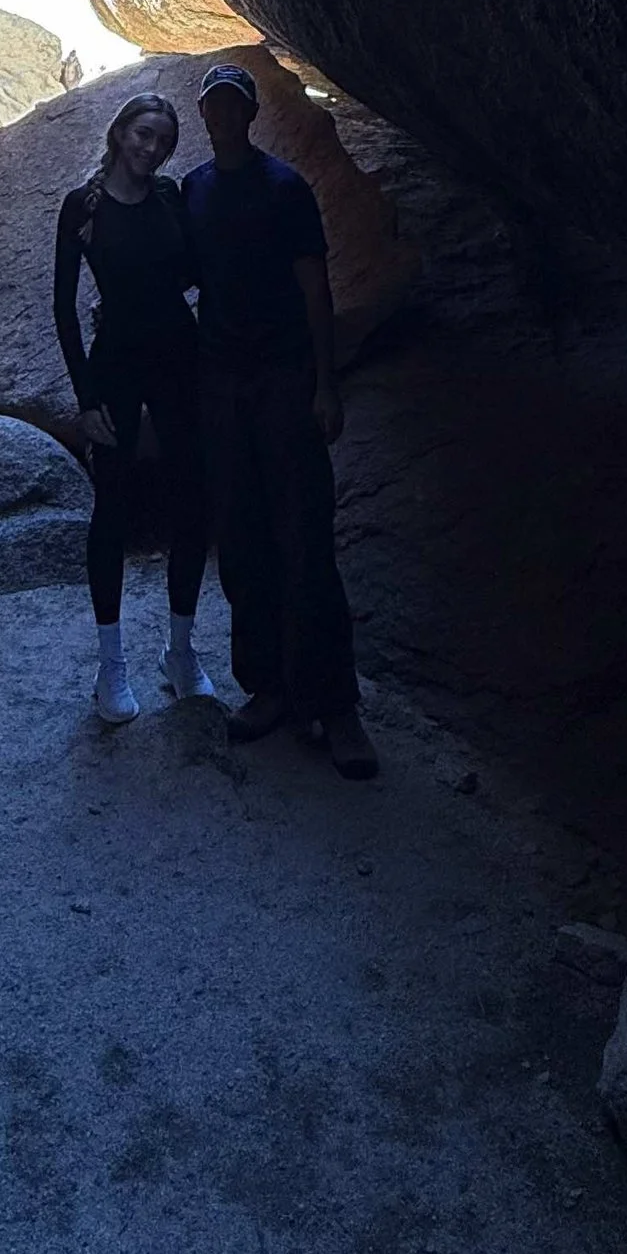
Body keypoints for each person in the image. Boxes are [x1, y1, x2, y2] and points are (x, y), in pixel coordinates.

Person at [181, 60, 378, 779]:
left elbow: (315, 291)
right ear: (204, 115)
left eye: (234, 104)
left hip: (284, 380)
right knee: (241, 536)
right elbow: (178, 274)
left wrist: (327, 384)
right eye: (214, 105)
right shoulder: (194, 191)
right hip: (222, 383)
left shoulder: (285, 188)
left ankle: (335, 704)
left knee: (305, 536)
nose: (224, 115)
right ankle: (268, 686)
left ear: (250, 113)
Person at [52, 90, 218, 724]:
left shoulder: (170, 196)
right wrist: (85, 398)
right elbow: (64, 308)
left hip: (178, 359)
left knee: (192, 501)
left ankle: (180, 651)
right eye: (144, 134)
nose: (153, 148)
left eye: (164, 141)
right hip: (116, 364)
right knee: (112, 508)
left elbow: (194, 271)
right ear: (120, 133)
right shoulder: (84, 207)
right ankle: (111, 665)